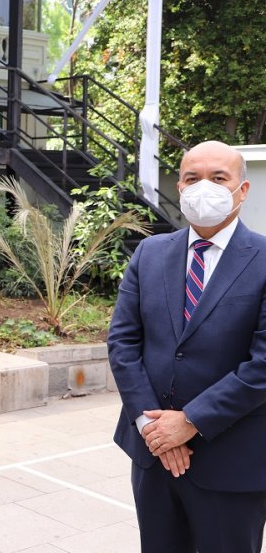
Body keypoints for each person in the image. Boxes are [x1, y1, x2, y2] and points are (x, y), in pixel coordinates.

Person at [108, 140, 266, 552]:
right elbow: (123, 342)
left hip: (233, 459)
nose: (204, 188)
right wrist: (154, 429)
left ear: (242, 190)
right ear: (179, 186)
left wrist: (190, 421)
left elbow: (262, 364)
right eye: (193, 178)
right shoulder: (150, 252)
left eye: (218, 178)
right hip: (153, 454)